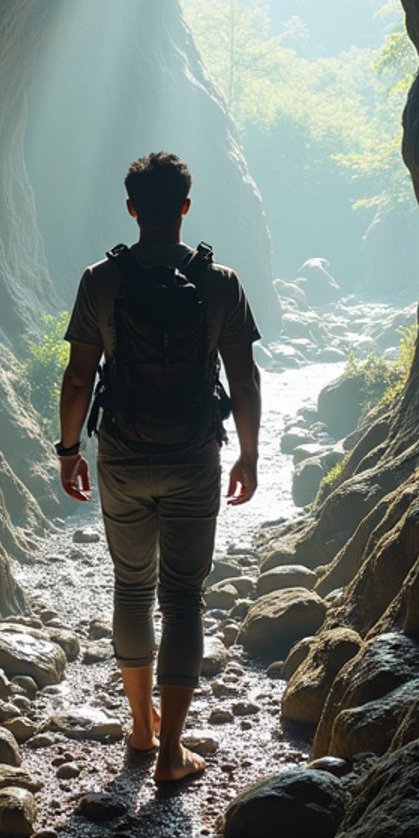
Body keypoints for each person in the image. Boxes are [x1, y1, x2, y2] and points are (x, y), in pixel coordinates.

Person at [56, 151, 262, 782]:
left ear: (131, 209)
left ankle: (140, 730)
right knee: (183, 597)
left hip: (121, 454)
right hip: (194, 456)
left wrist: (69, 451)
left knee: (132, 587)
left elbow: (79, 377)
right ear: (184, 208)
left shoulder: (101, 280)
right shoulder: (220, 282)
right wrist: (250, 455)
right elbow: (244, 378)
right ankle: (173, 752)